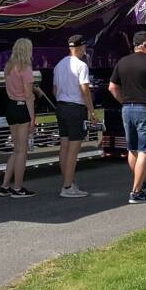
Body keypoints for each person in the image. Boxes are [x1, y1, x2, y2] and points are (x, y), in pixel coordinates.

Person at [109, 31, 146, 204]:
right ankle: (136, 192)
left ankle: (138, 184)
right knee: (145, 150)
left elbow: (112, 87)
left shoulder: (122, 62)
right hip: (145, 109)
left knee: (132, 149)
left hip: (127, 109)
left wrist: (124, 101)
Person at [53, 34, 97, 198]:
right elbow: (85, 90)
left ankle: (68, 181)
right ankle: (67, 186)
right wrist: (91, 111)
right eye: (84, 46)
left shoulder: (59, 65)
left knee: (64, 147)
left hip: (61, 106)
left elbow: (54, 90)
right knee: (73, 149)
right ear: (81, 47)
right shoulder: (82, 65)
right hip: (75, 108)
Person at [0, 38, 37, 198]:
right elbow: (28, 96)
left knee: (16, 150)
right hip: (22, 109)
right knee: (22, 151)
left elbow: (11, 90)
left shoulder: (8, 67)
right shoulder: (26, 69)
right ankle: (18, 188)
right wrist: (32, 118)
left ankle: (4, 186)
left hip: (11, 106)